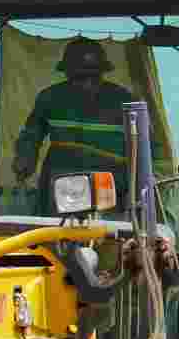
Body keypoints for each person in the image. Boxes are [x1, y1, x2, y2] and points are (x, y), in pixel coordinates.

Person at [11, 38, 137, 210]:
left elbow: (144, 145)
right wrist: (25, 158)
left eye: (92, 78)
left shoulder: (123, 99)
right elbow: (31, 134)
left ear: (102, 74)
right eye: (79, 78)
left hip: (110, 183)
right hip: (62, 181)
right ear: (67, 74)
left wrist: (138, 184)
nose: (86, 84)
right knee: (55, 233)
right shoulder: (49, 97)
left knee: (108, 233)